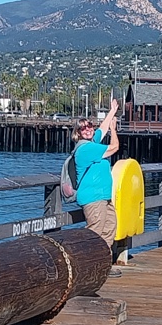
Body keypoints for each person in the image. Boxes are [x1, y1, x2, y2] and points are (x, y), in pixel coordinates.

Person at [72, 98, 122, 276]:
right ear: (77, 133)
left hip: (104, 197)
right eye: (83, 128)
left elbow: (102, 128)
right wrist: (114, 130)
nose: (88, 130)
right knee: (95, 231)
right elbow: (115, 147)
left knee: (110, 228)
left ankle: (102, 265)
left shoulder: (93, 142)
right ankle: (85, 267)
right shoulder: (85, 149)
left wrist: (112, 111)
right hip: (93, 198)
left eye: (89, 126)